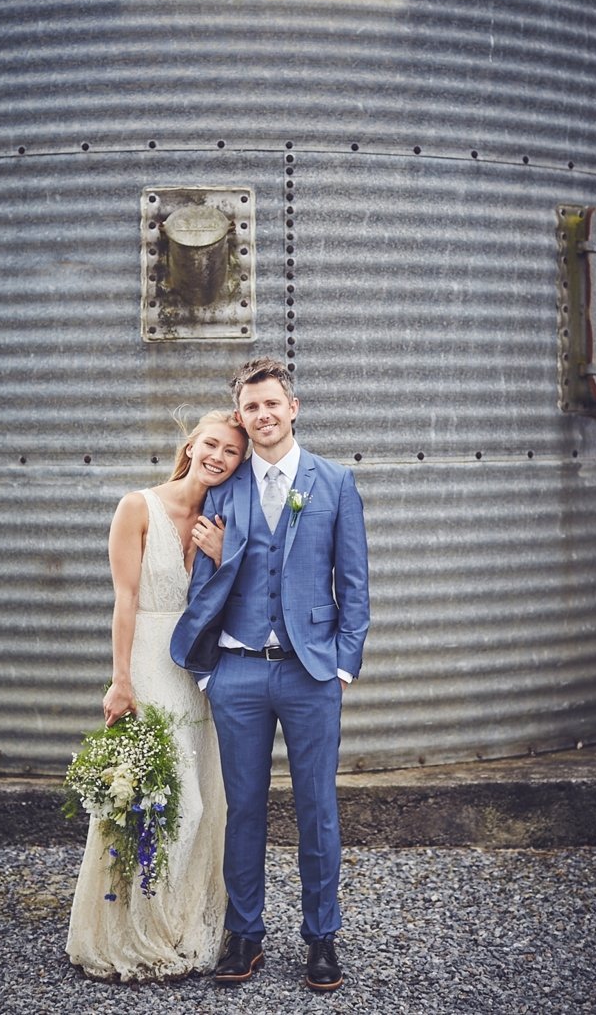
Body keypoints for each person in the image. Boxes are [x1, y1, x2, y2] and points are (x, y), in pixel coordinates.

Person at [171, 358, 370, 992]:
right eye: (251, 407)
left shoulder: (334, 482)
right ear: (242, 415)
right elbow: (203, 586)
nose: (263, 416)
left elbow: (355, 584)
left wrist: (342, 664)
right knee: (244, 809)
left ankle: (321, 940)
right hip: (236, 674)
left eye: (272, 404)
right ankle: (245, 935)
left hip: (311, 674)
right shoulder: (223, 487)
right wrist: (207, 672)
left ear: (294, 407)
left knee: (318, 810)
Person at [66, 410, 249, 982]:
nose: (218, 457)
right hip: (148, 659)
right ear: (190, 444)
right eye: (211, 444)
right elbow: (125, 600)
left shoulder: (223, 517)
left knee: (200, 799)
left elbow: (233, 602)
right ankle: (132, 931)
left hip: (198, 673)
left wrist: (223, 558)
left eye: (232, 452)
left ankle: (180, 922)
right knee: (166, 800)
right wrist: (120, 680)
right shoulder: (137, 506)